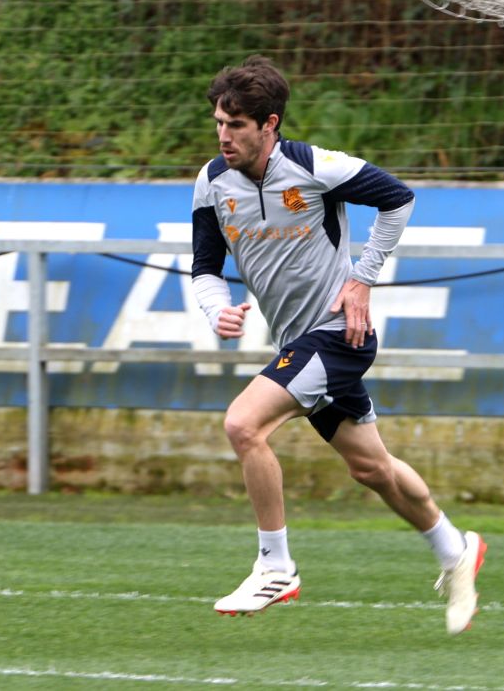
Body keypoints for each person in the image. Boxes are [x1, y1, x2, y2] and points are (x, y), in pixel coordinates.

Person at [190, 55, 485, 634]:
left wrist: (362, 278)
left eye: (237, 125)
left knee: (243, 425)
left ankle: (275, 566)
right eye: (219, 123)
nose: (224, 136)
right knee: (372, 468)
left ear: (269, 124)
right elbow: (204, 267)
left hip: (339, 336)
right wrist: (215, 310)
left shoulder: (315, 166)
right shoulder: (211, 183)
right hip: (297, 341)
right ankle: (456, 550)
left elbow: (398, 198)